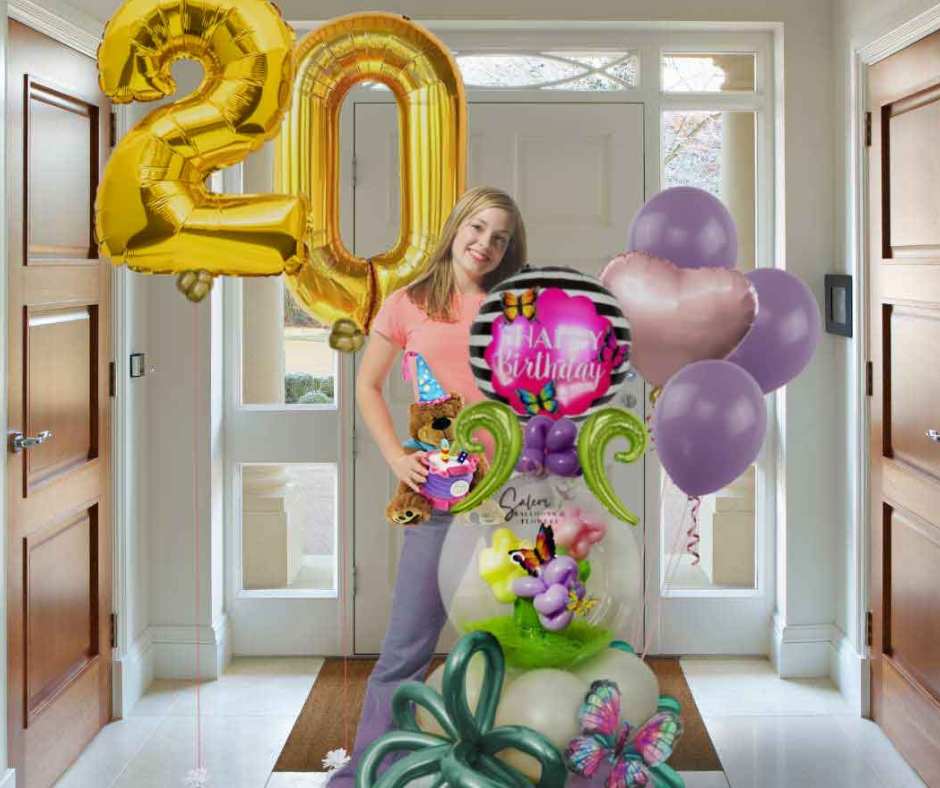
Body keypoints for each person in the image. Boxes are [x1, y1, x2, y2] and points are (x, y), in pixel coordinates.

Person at [328, 186, 527, 785]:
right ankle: (365, 773)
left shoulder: (514, 305)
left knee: (514, 642)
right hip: (441, 492)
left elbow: (538, 387)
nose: (485, 244)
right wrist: (395, 456)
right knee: (407, 645)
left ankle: (508, 763)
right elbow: (368, 385)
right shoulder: (408, 303)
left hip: (511, 495)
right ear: (456, 226)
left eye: (500, 237)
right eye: (478, 229)